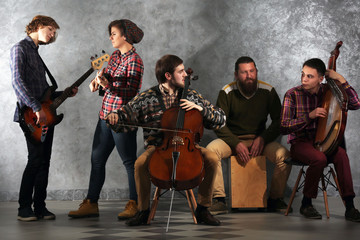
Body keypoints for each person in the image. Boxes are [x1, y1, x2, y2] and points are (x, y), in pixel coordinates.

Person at [106, 54, 226, 226]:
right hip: (158, 148)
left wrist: (200, 108)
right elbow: (125, 114)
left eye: (185, 71)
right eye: (181, 71)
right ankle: (143, 211)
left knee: (212, 159)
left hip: (189, 147)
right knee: (140, 164)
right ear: (168, 76)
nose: (185, 74)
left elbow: (221, 119)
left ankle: (203, 209)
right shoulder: (147, 97)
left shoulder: (190, 95)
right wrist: (114, 116)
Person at [68, 19, 144, 220]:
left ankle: (135, 204)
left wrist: (107, 85)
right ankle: (91, 203)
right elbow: (108, 83)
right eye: (110, 34)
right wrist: (98, 85)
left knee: (129, 162)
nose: (110, 37)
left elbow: (131, 92)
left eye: (114, 34)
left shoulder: (134, 60)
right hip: (104, 117)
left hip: (123, 118)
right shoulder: (114, 57)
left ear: (125, 36)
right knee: (97, 159)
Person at [11, 15, 78, 221]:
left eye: (54, 32)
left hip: (45, 115)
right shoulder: (20, 49)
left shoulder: (36, 53)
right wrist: (35, 107)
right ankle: (24, 208)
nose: (52, 35)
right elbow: (17, 82)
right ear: (38, 26)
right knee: (35, 160)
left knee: (44, 161)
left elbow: (43, 93)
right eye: (50, 29)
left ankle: (39, 206)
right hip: (31, 116)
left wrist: (63, 94)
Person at [206, 56, 292, 215]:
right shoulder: (226, 92)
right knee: (210, 151)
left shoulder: (268, 91)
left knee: (284, 156)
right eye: (244, 72)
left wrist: (263, 138)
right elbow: (218, 123)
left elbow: (279, 121)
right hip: (232, 140)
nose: (249, 75)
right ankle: (219, 200)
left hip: (259, 141)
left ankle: (275, 199)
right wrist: (235, 143)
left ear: (256, 72)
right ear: (236, 75)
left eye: (252, 71)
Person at [280, 58, 360, 221]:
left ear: (321, 78)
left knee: (342, 155)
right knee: (319, 158)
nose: (304, 79)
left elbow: (355, 104)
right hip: (301, 143)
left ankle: (350, 207)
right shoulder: (292, 94)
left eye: (310, 76)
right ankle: (306, 203)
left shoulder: (329, 91)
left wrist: (341, 80)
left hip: (324, 141)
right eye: (303, 74)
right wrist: (309, 116)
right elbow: (284, 126)